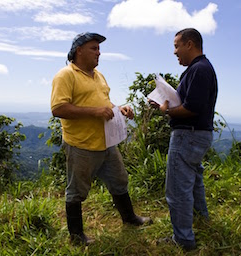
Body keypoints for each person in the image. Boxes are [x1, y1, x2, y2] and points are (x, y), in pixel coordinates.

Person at [50, 32, 152, 245]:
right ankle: (77, 237)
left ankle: (130, 218)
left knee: (119, 180)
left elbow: (104, 102)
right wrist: (94, 112)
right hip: (81, 145)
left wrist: (119, 108)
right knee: (76, 191)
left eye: (99, 48)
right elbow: (58, 108)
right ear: (79, 51)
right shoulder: (65, 75)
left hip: (106, 141)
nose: (99, 52)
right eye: (93, 48)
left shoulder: (98, 75)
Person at [150, 28, 218, 251]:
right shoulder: (199, 69)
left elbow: (192, 109)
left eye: (177, 46)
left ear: (190, 44)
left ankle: (183, 239)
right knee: (194, 180)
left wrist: (166, 111)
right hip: (198, 135)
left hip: (188, 134)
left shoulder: (199, 70)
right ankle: (202, 219)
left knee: (178, 189)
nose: (175, 52)